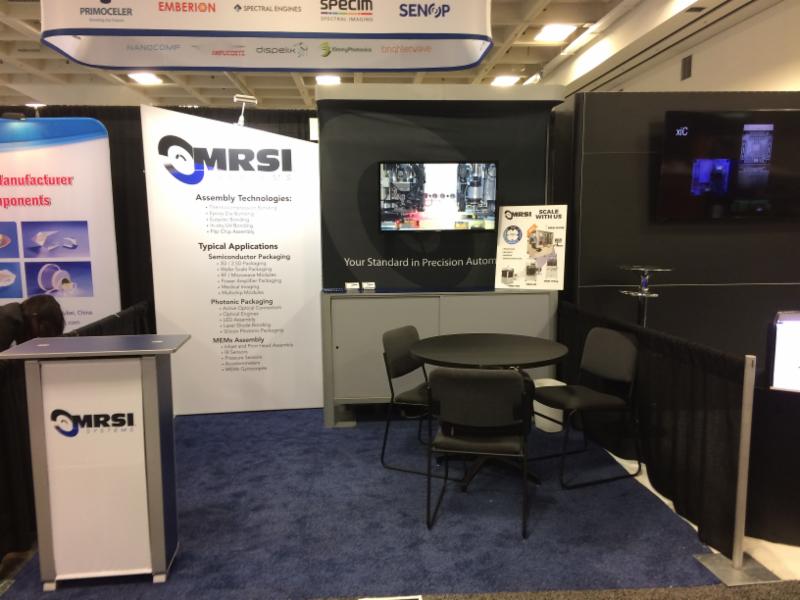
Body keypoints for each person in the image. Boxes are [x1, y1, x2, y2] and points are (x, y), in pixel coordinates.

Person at [0, 295, 65, 351]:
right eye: (45, 327)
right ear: (35, 316)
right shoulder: (6, 319)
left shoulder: (22, 318)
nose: (42, 333)